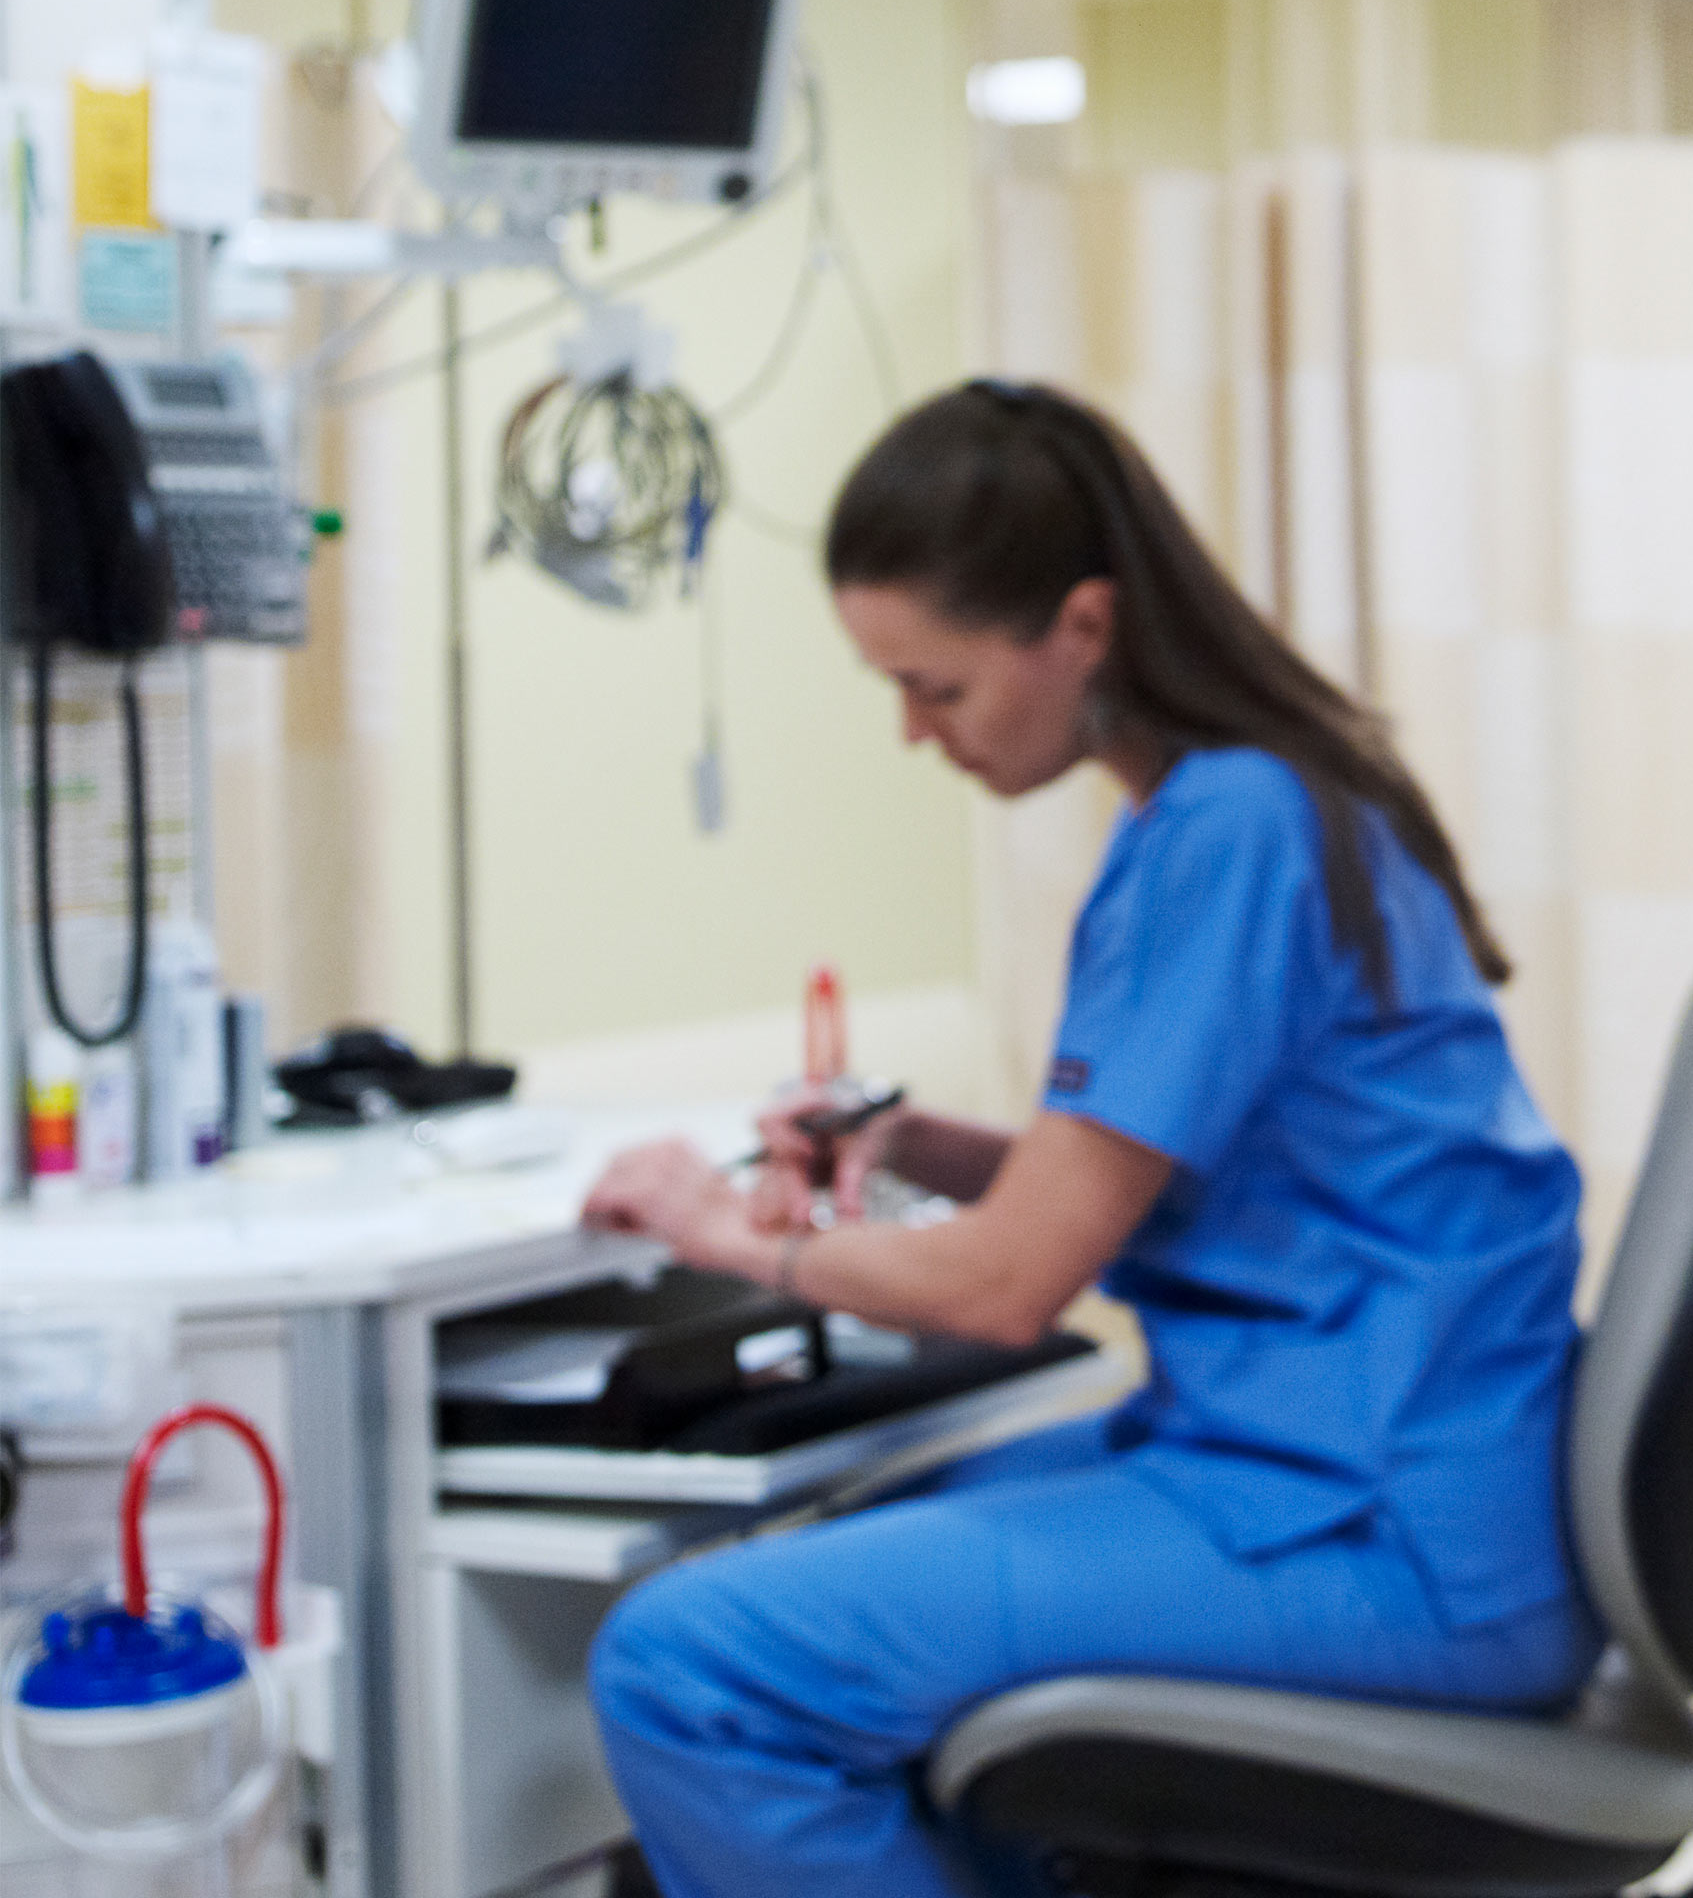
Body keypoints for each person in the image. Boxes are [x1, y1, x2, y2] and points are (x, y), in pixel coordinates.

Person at [576, 380, 1594, 1898]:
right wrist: (909, 1140)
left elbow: (1005, 1291)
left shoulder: (1228, 831)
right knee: (824, 1562)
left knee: (688, 1663)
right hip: (1348, 1466)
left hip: (1376, 1528)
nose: (916, 736)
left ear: (1084, 628)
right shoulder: (1254, 803)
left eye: (937, 688)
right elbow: (1169, 1176)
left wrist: (721, 1232)